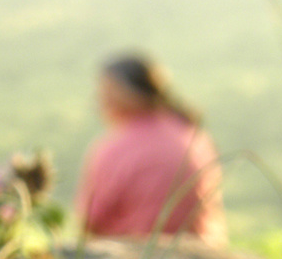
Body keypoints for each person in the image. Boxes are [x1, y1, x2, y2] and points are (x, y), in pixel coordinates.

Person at [75, 54, 227, 247]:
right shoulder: (194, 134)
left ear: (124, 94)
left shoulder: (114, 148)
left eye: (104, 91)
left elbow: (92, 222)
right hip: (203, 250)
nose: (98, 100)